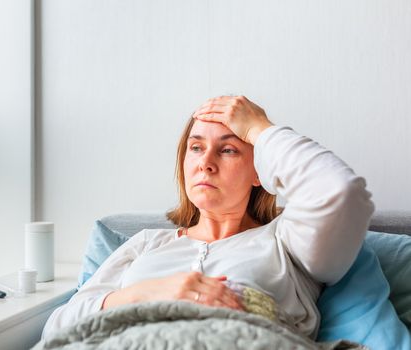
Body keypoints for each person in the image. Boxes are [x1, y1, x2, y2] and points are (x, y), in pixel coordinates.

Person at [42, 95, 374, 339]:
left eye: (228, 149)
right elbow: (59, 327)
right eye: (196, 147)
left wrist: (260, 129)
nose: (206, 163)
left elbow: (340, 192)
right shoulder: (145, 245)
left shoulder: (286, 243)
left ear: (259, 170)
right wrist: (148, 292)